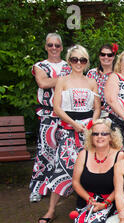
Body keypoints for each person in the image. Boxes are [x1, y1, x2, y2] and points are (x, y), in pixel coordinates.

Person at [37, 45, 100, 223]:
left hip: (87, 132)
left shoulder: (91, 82)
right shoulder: (62, 81)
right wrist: (74, 124)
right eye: (74, 59)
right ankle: (51, 210)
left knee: (90, 168)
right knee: (61, 167)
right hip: (67, 130)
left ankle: (88, 205)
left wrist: (89, 125)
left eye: (82, 60)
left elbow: (97, 108)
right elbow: (57, 107)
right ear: (69, 60)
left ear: (87, 62)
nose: (78, 63)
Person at [29, 33, 71, 203]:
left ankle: (62, 187)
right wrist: (65, 79)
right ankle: (38, 188)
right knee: (45, 152)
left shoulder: (68, 64)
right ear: (46, 47)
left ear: (61, 47)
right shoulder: (40, 66)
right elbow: (43, 83)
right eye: (51, 45)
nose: (54, 48)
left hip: (67, 114)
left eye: (57, 45)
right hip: (48, 115)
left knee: (65, 152)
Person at [71, 119, 124, 223]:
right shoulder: (84, 154)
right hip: (88, 201)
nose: (99, 137)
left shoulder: (120, 155)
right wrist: (89, 200)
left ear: (111, 136)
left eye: (104, 134)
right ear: (91, 136)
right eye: (95, 134)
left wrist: (104, 203)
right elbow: (75, 183)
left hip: (109, 202)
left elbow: (119, 188)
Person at [86, 43, 118, 117]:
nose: (106, 57)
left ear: (114, 56)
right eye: (103, 54)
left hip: (111, 114)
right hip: (91, 113)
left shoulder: (118, 76)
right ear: (99, 56)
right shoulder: (91, 73)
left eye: (109, 55)